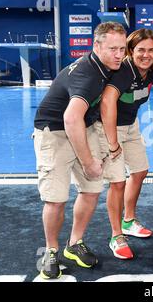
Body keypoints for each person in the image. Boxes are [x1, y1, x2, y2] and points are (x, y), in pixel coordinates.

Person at [33, 22, 127, 279]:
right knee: (56, 197)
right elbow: (70, 118)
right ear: (96, 46)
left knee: (92, 188)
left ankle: (74, 243)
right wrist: (87, 162)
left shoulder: (106, 66)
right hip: (54, 132)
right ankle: (51, 250)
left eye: (122, 48)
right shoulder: (89, 73)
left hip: (81, 128)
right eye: (113, 49)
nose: (119, 54)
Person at [99, 28, 153, 259]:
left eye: (151, 50)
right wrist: (113, 142)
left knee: (140, 170)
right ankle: (116, 236)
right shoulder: (125, 70)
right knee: (117, 182)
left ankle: (128, 221)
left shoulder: (150, 71)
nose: (146, 54)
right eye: (140, 50)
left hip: (131, 124)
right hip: (110, 128)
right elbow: (107, 101)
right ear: (130, 51)